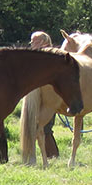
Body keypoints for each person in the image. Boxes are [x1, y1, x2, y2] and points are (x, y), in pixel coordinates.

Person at [29, 30, 60, 159]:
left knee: (45, 127)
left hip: (50, 97)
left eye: (34, 41)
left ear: (44, 42)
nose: (31, 44)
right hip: (37, 97)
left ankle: (52, 155)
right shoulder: (36, 58)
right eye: (31, 42)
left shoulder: (52, 57)